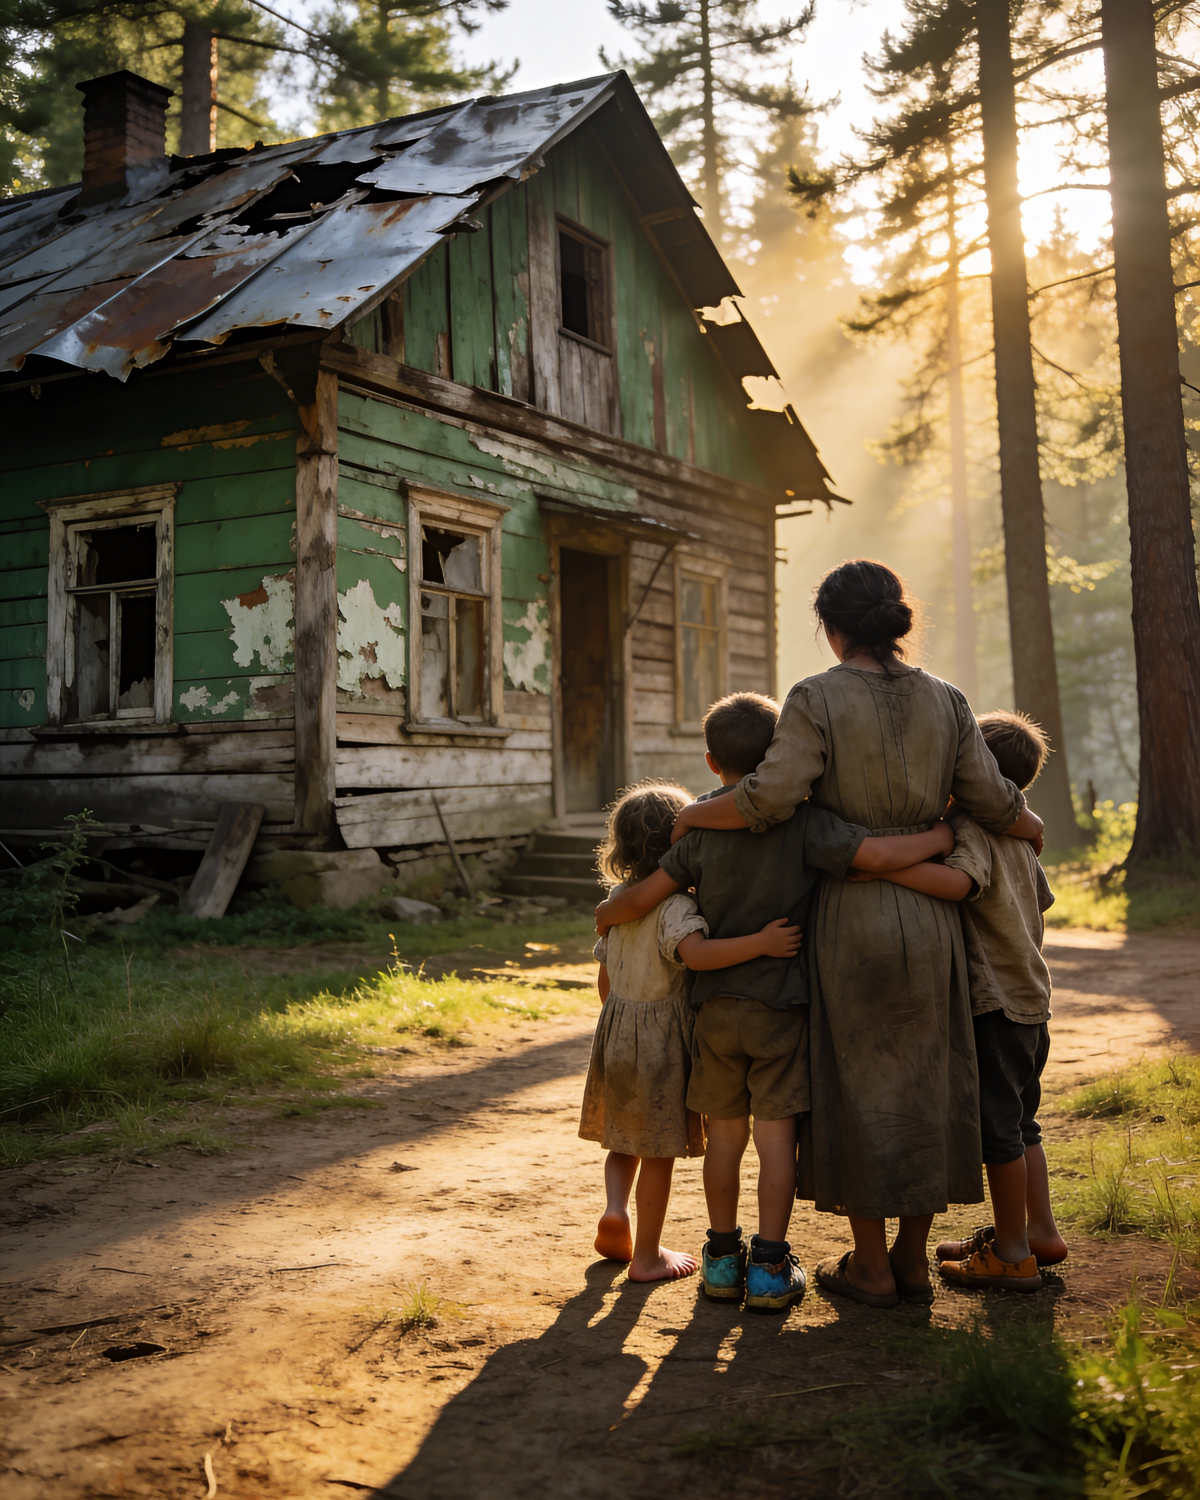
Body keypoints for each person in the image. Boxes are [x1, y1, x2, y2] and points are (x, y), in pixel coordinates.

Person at [670, 560, 1044, 1308]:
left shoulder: (816, 696)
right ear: (894, 621)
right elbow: (996, 803)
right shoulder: (947, 697)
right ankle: (910, 1259)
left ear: (833, 627)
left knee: (861, 1082)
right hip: (933, 921)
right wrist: (1025, 824)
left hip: (851, 910)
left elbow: (769, 799)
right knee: (926, 1081)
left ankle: (868, 1264)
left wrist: (690, 814)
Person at [594, 692, 962, 1312]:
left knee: (724, 1141)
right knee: (775, 1143)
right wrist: (940, 833)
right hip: (781, 1010)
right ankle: (768, 1266)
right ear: (783, 758)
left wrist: (607, 913)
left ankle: (718, 1261)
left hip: (715, 1014)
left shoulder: (702, 827)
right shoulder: (805, 821)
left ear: (713, 764)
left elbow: (643, 896)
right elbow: (874, 855)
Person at [580, 780, 804, 1284]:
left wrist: (619, 1023)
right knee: (658, 1149)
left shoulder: (620, 901)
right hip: (660, 1045)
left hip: (616, 1032)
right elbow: (698, 956)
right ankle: (648, 1255)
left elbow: (606, 976)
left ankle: (616, 1209)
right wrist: (762, 943)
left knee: (624, 1140)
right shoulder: (676, 907)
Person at [928, 711, 1068, 1290]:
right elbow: (1044, 902)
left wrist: (896, 873)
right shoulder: (1019, 836)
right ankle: (1039, 1231)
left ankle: (1010, 1253)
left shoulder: (973, 828)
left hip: (995, 1005)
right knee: (1023, 1123)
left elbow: (961, 883)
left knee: (999, 1133)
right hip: (1032, 1001)